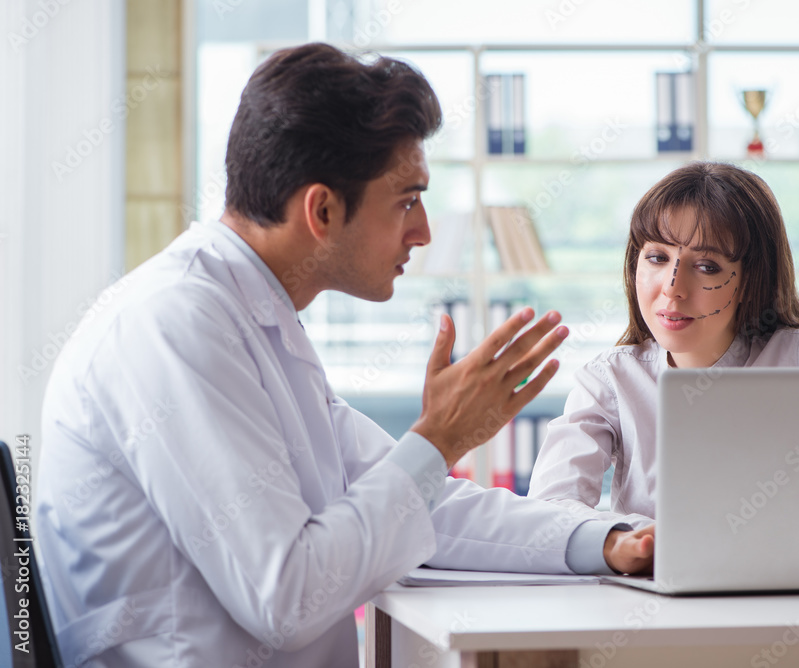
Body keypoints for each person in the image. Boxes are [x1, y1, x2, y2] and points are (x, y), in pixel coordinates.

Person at [33, 43, 653, 668]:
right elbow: (288, 597)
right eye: (408, 200)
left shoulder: (256, 317)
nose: (424, 231)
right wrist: (438, 438)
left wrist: (602, 540)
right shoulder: (175, 325)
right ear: (322, 210)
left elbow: (422, 501)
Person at [527, 161, 799, 550]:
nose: (673, 288)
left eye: (707, 267)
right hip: (660, 613)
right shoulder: (610, 380)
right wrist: (620, 540)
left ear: (751, 280)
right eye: (657, 257)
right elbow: (546, 520)